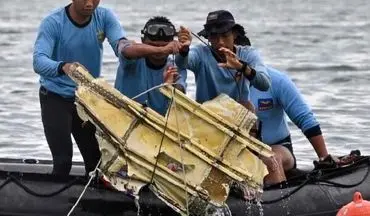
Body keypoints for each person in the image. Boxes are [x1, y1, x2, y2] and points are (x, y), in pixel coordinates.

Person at [33, 0, 126, 176]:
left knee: (96, 163)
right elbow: (38, 61)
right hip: (55, 97)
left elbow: (120, 43)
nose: (90, 4)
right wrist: (63, 67)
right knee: (63, 161)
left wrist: (132, 49)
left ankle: (93, 201)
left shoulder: (104, 17)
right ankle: (58, 199)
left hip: (86, 99)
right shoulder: (53, 23)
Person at [250, 66, 330, 185]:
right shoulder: (215, 83)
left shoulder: (277, 80)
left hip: (278, 147)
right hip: (234, 149)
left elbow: (305, 119)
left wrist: (324, 158)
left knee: (270, 158)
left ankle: (281, 201)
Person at [176, 10, 271, 107]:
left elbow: (265, 84)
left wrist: (241, 67)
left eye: (225, 35)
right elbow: (182, 63)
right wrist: (184, 49)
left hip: (239, 115)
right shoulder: (200, 54)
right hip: (207, 115)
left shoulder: (248, 54)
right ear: (208, 37)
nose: (220, 42)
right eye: (214, 37)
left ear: (234, 34)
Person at [114, 16, 187, 116]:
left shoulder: (173, 68)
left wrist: (169, 87)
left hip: (155, 126)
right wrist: (163, 50)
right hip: (123, 116)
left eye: (163, 45)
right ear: (142, 41)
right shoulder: (132, 59)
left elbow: (181, 93)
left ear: (172, 44)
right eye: (153, 45)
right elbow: (125, 51)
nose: (159, 50)